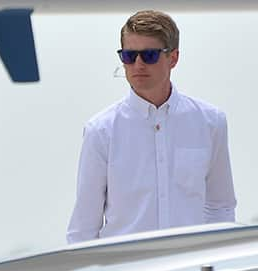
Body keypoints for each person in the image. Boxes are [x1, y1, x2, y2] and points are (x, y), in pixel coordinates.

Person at [66, 9, 236, 243]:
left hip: (191, 269)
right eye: (128, 56)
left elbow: (221, 207)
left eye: (149, 55)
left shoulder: (211, 122)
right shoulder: (101, 131)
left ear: (173, 58)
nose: (137, 64)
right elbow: (84, 225)